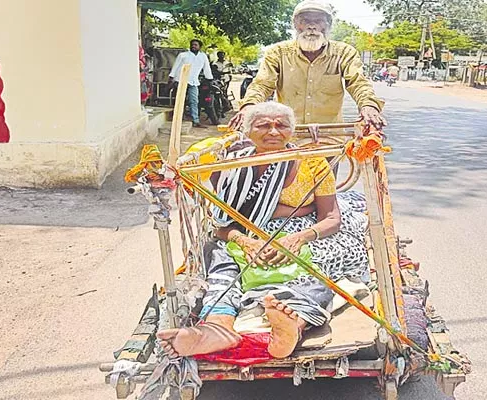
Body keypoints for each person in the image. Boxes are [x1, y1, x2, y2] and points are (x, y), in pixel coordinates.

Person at [158, 102, 370, 359]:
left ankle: (294, 323)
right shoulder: (230, 166)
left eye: (281, 125)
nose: (273, 131)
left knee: (318, 265)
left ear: (291, 131)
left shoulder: (313, 163)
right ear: (248, 131)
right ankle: (217, 327)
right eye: (263, 125)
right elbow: (222, 224)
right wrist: (246, 243)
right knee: (220, 260)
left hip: (303, 231)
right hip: (246, 234)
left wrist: (297, 239)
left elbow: (331, 217)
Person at [229, 0, 386, 134]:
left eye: (318, 20)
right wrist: (248, 106)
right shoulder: (277, 52)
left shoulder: (344, 53)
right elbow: (262, 84)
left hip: (328, 137)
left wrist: (368, 106)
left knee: (326, 171)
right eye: (305, 21)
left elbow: (358, 83)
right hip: (287, 136)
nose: (312, 26)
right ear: (296, 25)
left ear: (328, 25)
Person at [168, 39, 213, 128]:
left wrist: (209, 78)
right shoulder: (183, 55)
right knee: (180, 100)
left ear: (200, 47)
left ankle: (195, 121)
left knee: (194, 101)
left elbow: (207, 68)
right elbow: (175, 66)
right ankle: (178, 118)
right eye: (192, 45)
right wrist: (171, 77)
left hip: (194, 81)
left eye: (196, 45)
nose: (193, 46)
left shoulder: (203, 56)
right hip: (180, 80)